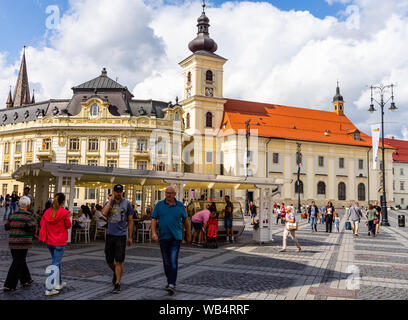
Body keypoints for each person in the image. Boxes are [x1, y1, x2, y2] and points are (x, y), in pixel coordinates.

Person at [151, 186, 191, 295]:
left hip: (176, 237)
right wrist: (154, 233)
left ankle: (171, 283)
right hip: (163, 237)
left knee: (173, 260)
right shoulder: (159, 205)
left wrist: (188, 234)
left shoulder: (180, 205)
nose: (168, 195)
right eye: (167, 193)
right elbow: (154, 219)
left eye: (170, 193)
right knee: (166, 262)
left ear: (174, 194)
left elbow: (186, 221)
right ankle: (170, 280)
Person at [101, 184, 134, 294]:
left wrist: (130, 236)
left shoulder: (127, 204)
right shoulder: (109, 203)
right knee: (109, 260)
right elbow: (104, 213)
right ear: (114, 192)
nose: (118, 193)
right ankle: (116, 272)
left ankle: (117, 283)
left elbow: (130, 220)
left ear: (122, 192)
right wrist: (110, 201)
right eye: (116, 191)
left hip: (121, 235)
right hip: (110, 234)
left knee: (119, 260)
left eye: (120, 192)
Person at [39, 193, 72, 296]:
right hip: (60, 242)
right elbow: (68, 225)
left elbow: (41, 224)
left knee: (56, 262)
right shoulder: (64, 212)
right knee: (55, 264)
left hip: (49, 241)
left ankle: (58, 283)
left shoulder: (47, 212)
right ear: (63, 202)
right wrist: (68, 216)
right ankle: (49, 288)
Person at [3, 196, 36, 292]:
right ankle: (9, 285)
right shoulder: (28, 216)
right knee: (17, 262)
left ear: (18, 205)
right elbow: (33, 228)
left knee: (20, 260)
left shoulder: (12, 215)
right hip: (23, 243)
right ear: (28, 205)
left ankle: (26, 279)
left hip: (13, 242)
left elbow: (6, 227)